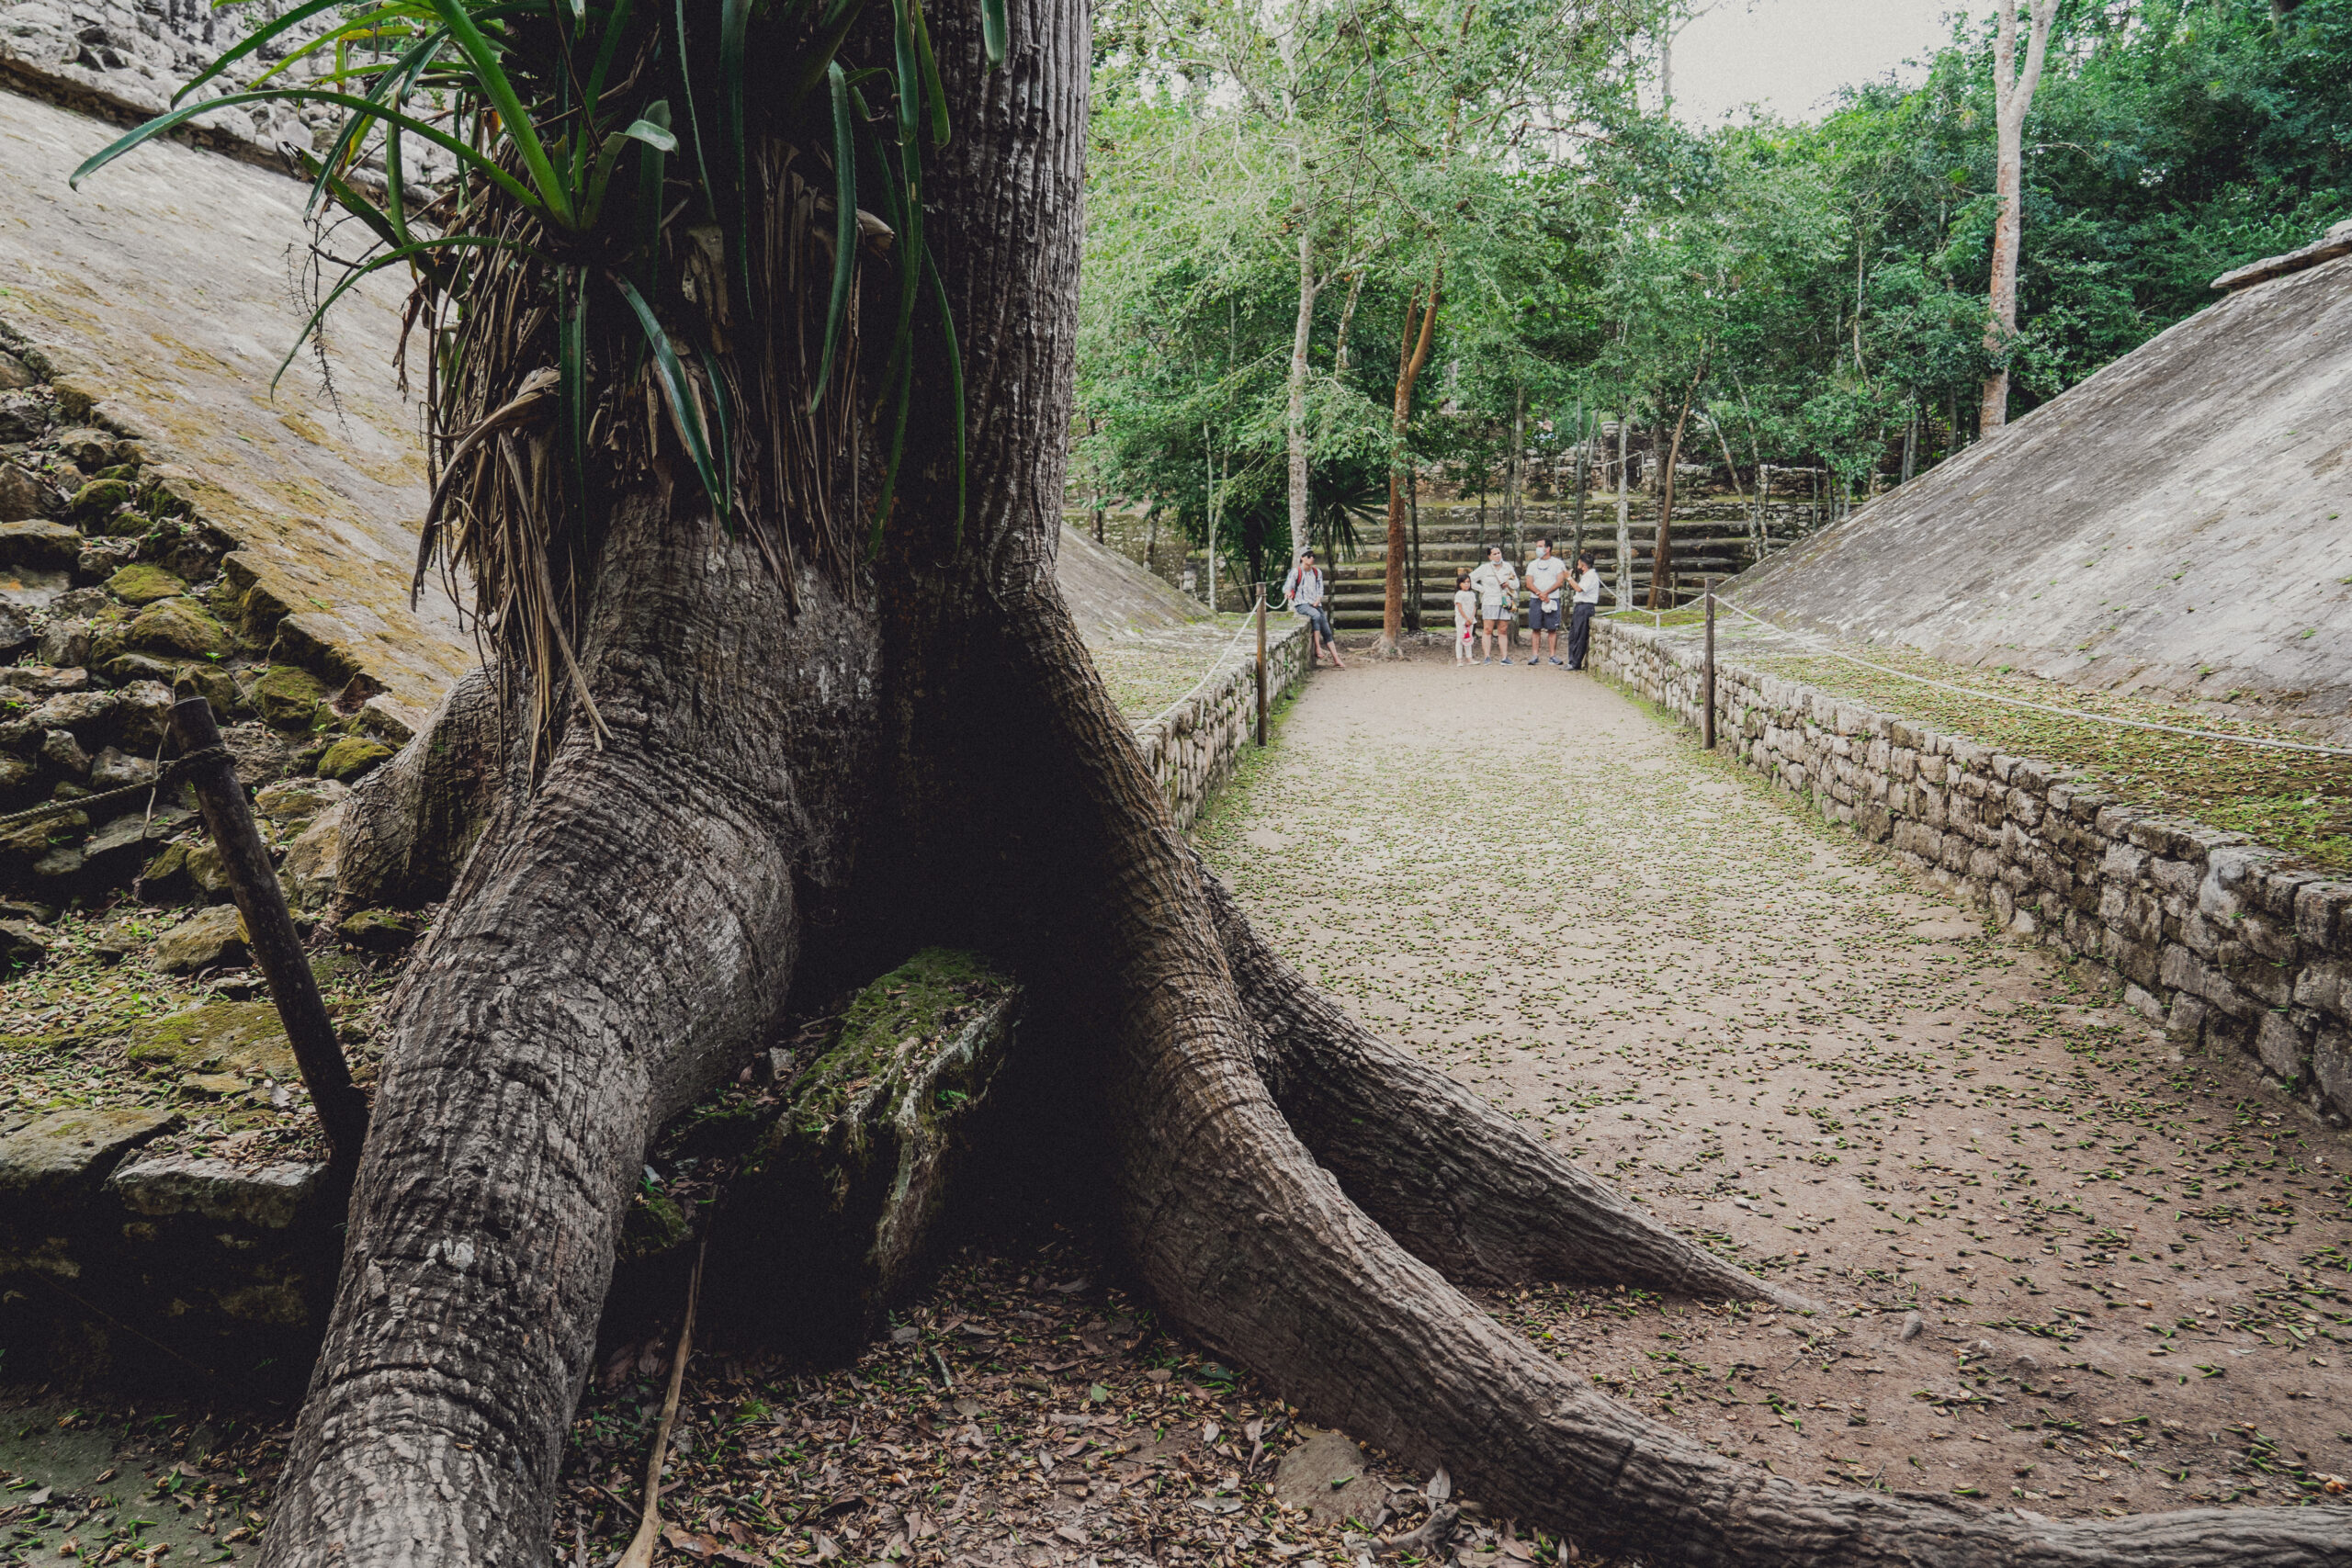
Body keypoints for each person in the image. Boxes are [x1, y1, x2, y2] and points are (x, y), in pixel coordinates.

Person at [1283, 548, 1347, 669]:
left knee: (1327, 630)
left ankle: (1336, 658)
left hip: (1315, 604)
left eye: (1313, 556)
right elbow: (1288, 585)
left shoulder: (1317, 572)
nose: (1311, 558)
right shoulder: (1296, 572)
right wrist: (1287, 592)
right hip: (1301, 604)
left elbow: (1320, 589)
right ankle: (1318, 648)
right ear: (1302, 558)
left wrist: (1318, 600)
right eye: (1308, 556)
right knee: (1316, 616)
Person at [1466, 545, 1518, 664]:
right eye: (1494, 554)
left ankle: (1504, 657)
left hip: (1505, 600)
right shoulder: (1484, 568)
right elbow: (1471, 579)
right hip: (1490, 601)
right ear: (1489, 556)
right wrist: (1482, 589)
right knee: (1488, 629)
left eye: (1499, 553)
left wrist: (1508, 583)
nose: (1497, 555)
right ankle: (1487, 657)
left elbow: (1516, 583)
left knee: (1503, 630)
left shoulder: (1507, 567)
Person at [1522, 537, 1568, 667]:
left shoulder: (1557, 563)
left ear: (1548, 548)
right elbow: (1529, 582)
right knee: (1535, 628)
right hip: (1536, 599)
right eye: (1537, 546)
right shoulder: (1532, 565)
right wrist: (1539, 593)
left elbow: (1560, 580)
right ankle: (1535, 655)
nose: (1538, 548)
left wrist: (1547, 593)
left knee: (1552, 628)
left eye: (1540, 546)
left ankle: (1552, 655)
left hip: (1552, 598)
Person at [1566, 550, 1600, 671]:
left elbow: (1579, 588)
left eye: (1579, 564)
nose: (1577, 567)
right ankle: (1572, 660)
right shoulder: (1587, 576)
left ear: (1583, 565)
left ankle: (1575, 663)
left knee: (1580, 635)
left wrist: (1569, 578)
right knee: (1574, 635)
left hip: (1585, 607)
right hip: (1580, 606)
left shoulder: (1590, 576)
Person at [1452, 570, 1476, 664]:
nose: (1466, 584)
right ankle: (1459, 659)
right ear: (1459, 584)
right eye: (1464, 582)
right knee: (1460, 638)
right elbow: (1460, 608)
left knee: (1469, 638)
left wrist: (1471, 618)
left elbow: (1474, 606)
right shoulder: (1459, 594)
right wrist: (1466, 618)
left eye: (1468, 582)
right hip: (1461, 620)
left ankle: (1469, 658)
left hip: (1470, 619)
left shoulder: (1472, 594)